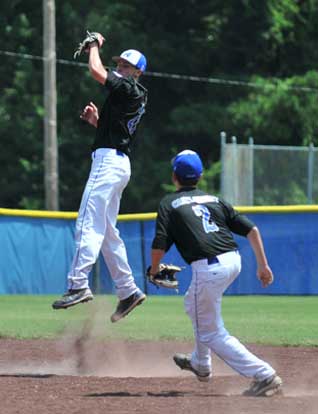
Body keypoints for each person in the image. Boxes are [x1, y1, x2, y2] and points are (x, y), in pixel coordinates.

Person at [148, 149, 283, 397]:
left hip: (208, 268)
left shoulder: (169, 203)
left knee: (211, 331)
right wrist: (263, 265)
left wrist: (154, 270)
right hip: (233, 261)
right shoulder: (214, 199)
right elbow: (252, 230)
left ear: (174, 176)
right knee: (194, 303)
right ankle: (201, 363)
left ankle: (265, 375)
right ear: (199, 176)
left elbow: (160, 242)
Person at [52, 34, 148, 323]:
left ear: (138, 72)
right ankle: (128, 291)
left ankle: (77, 284)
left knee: (86, 221)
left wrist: (94, 44)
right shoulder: (129, 94)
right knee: (107, 232)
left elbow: (96, 70)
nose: (120, 66)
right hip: (117, 162)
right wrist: (97, 123)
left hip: (108, 164)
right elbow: (117, 130)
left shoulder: (129, 87)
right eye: (119, 62)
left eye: (127, 65)